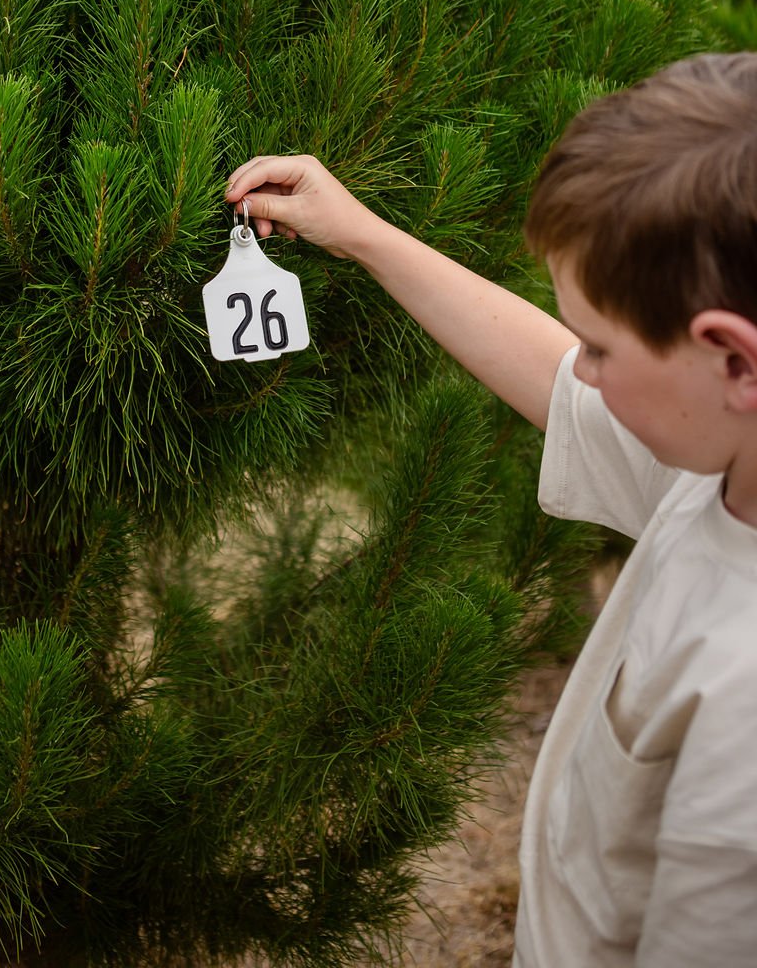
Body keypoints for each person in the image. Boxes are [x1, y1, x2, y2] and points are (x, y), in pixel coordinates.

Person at [224, 51, 757, 968]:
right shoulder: (716, 467)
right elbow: (557, 382)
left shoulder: (743, 711)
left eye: (599, 346)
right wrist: (363, 235)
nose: (581, 368)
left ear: (735, 361)